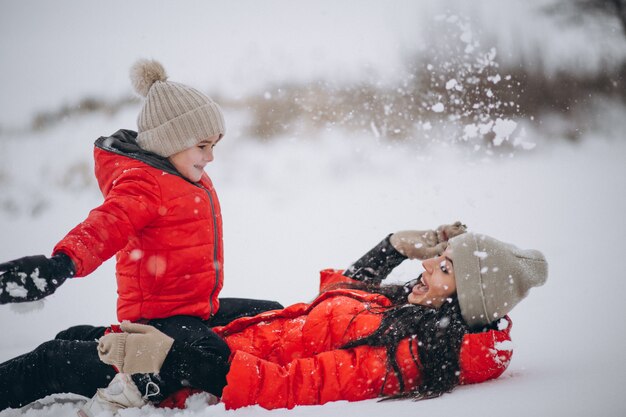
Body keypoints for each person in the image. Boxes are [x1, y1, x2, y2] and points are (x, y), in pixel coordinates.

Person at [0, 59, 282, 410]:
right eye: (203, 146)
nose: (211, 157)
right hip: (159, 320)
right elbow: (106, 224)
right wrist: (63, 263)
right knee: (211, 361)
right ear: (169, 141)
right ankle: (118, 366)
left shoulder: (183, 175)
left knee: (269, 313)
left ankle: (86, 338)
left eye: (214, 145)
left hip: (194, 310)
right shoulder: (146, 184)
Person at [73, 227, 547, 414]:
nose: (427, 266)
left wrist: (169, 357)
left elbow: (284, 388)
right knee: (76, 338)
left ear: (468, 302)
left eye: (445, 268)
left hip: (201, 368)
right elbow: (340, 302)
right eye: (439, 256)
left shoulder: (408, 354)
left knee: (62, 359)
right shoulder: (414, 312)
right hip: (237, 336)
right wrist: (393, 249)